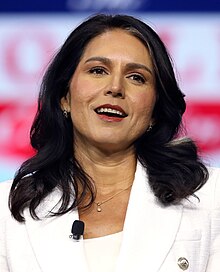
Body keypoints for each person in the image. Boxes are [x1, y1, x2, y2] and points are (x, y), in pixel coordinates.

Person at [0, 14, 220, 272]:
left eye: (137, 77)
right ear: (64, 97)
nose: (115, 87)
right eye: (97, 71)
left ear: (155, 110)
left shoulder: (210, 197)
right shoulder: (7, 208)